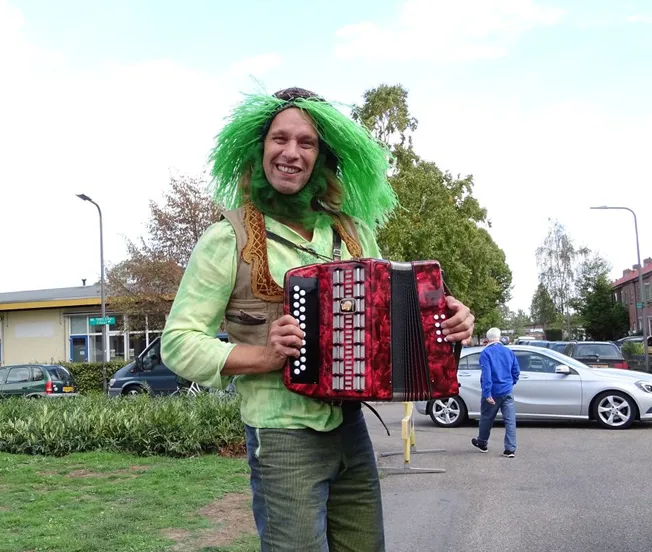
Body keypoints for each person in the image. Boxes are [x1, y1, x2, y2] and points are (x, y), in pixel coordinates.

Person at [161, 87, 476, 552]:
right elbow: (178, 343)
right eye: (279, 139)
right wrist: (266, 355)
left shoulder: (354, 231)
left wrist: (447, 324)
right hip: (281, 432)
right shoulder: (226, 237)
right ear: (258, 148)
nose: (291, 153)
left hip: (351, 429)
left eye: (306, 143)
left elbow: (389, 320)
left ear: (321, 157)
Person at [472, 327, 520, 458]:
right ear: (499, 337)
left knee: (487, 418)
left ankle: (482, 443)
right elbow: (516, 371)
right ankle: (510, 449)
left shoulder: (486, 353)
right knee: (510, 420)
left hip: (493, 392)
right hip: (507, 391)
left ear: (487, 339)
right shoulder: (508, 352)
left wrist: (487, 394)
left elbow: (487, 375)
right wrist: (511, 383)